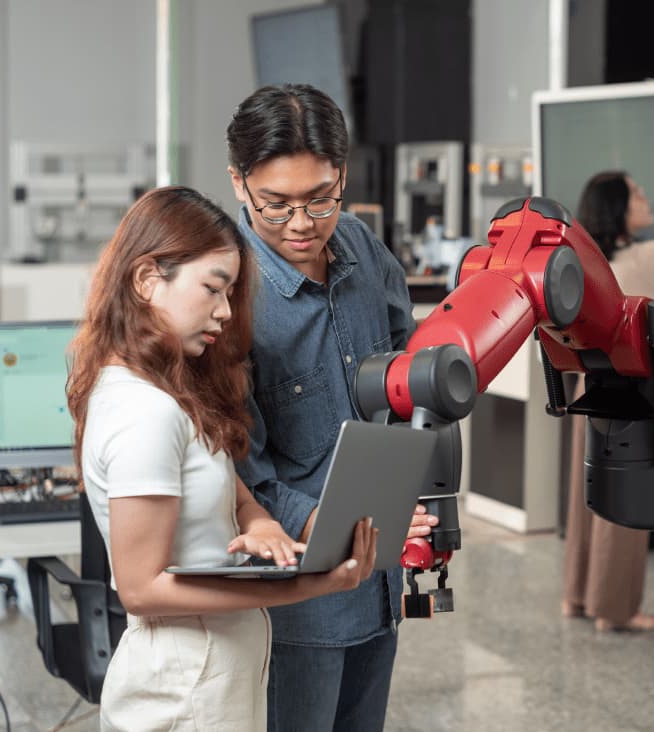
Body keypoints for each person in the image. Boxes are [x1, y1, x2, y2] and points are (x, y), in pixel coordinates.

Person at [67, 186, 378, 731]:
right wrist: (308, 585)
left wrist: (261, 525)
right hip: (184, 693)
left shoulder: (169, 393)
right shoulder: (146, 413)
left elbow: (234, 492)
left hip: (212, 682)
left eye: (231, 292)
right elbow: (140, 589)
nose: (225, 311)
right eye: (213, 289)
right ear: (146, 280)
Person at [226, 84, 436, 731]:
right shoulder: (229, 293)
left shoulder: (363, 250)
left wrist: (412, 485)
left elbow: (409, 376)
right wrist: (317, 520)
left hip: (381, 579)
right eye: (276, 205)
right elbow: (238, 464)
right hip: (298, 594)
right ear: (239, 184)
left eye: (320, 199)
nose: (300, 224)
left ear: (342, 175)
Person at [562, 171, 654, 633]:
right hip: (631, 393)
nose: (646, 197)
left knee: (587, 499)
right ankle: (614, 610)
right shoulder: (644, 258)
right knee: (626, 499)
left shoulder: (583, 261)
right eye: (636, 193)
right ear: (618, 207)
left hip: (589, 387)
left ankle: (576, 597)